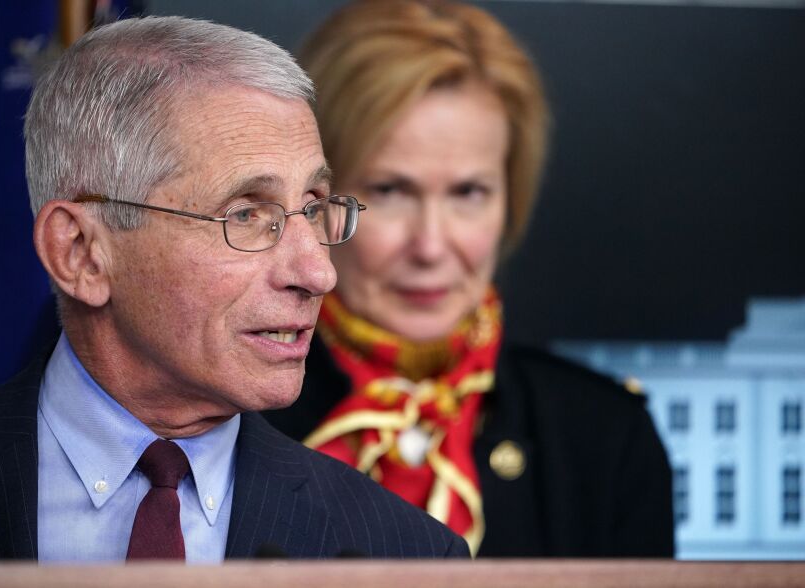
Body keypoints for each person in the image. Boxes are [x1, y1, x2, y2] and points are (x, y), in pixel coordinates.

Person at [0, 16, 469, 563]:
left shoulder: (408, 555)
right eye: (247, 214)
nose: (319, 273)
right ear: (82, 253)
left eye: (314, 208)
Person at [263, 0, 674, 557]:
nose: (431, 246)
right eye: (390, 190)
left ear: (511, 199)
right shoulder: (232, 411)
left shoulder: (605, 440)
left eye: (468, 193)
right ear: (314, 202)